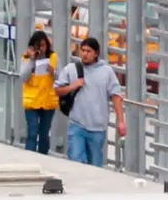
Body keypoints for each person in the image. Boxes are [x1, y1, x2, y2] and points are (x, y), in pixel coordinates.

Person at [54, 37, 127, 166]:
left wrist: (121, 121)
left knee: (95, 166)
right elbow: (58, 90)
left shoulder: (106, 72)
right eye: (83, 50)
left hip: (98, 128)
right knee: (76, 162)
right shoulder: (71, 69)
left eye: (88, 51)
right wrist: (73, 86)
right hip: (77, 125)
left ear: (96, 53)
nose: (84, 54)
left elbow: (116, 96)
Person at [20, 30, 59, 154]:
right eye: (37, 46)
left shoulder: (53, 57)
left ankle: (43, 157)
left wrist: (53, 72)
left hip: (47, 101)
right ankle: (30, 157)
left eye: (42, 45)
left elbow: (60, 78)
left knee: (44, 134)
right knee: (32, 132)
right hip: (32, 102)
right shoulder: (26, 58)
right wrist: (32, 61)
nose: (40, 49)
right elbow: (23, 77)